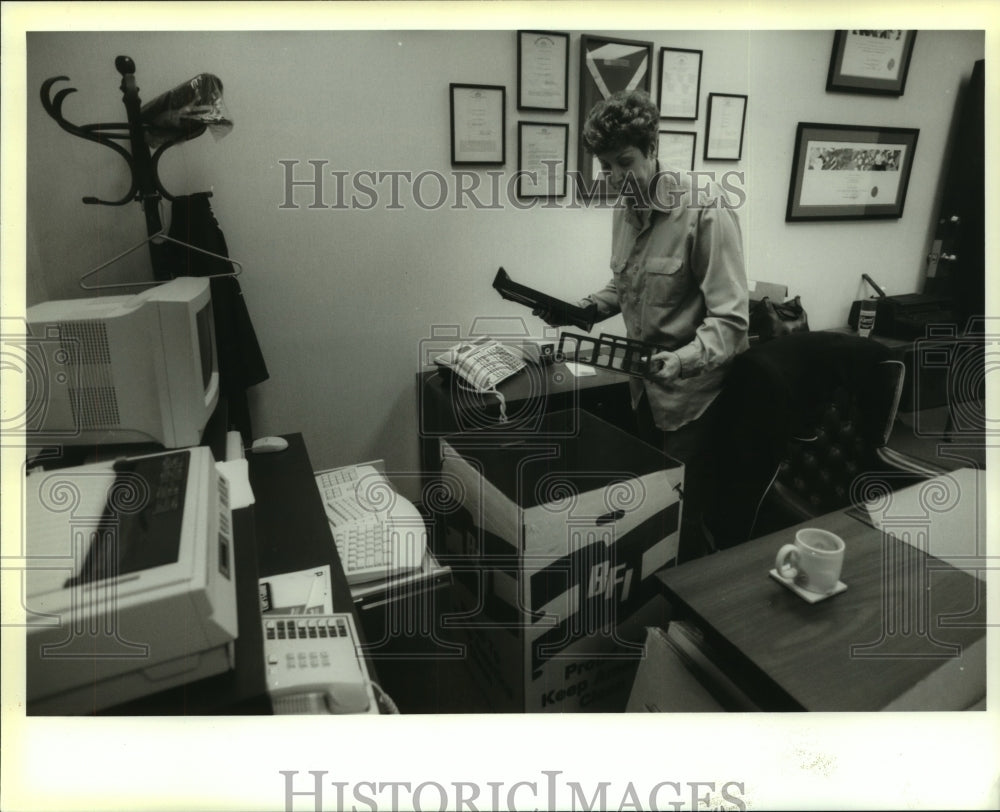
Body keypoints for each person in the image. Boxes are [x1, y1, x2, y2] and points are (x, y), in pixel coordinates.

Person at [536, 89, 749, 563]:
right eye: (606, 167)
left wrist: (682, 360)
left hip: (692, 399)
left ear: (653, 148)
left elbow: (733, 323)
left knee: (682, 516)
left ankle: (689, 620)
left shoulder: (706, 211)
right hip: (643, 391)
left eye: (624, 162)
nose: (615, 178)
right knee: (651, 508)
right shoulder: (624, 211)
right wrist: (582, 310)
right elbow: (625, 285)